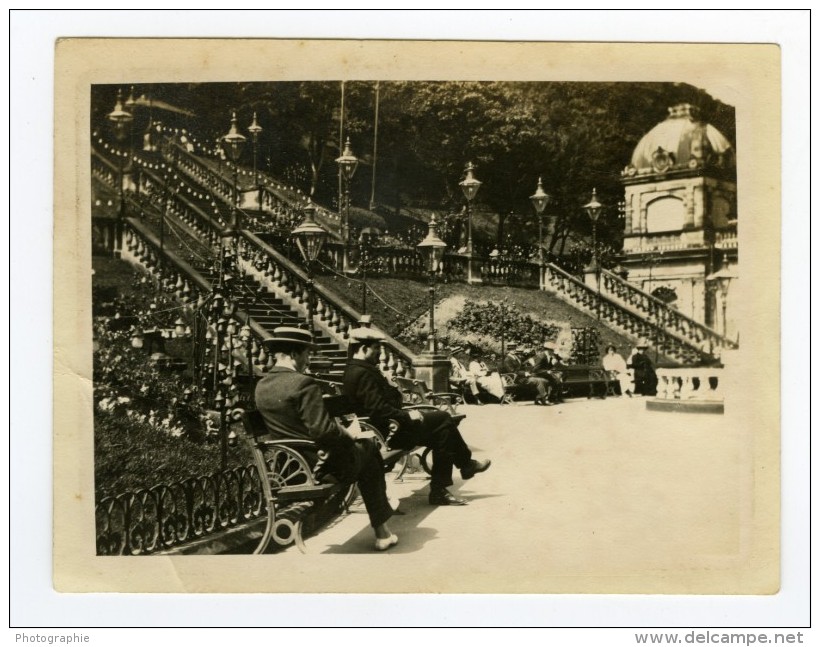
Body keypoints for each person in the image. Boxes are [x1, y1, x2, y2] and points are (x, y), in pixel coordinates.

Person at [254, 327, 398, 551]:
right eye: (307, 354)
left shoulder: (261, 386)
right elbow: (323, 431)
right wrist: (350, 435)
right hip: (320, 467)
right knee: (369, 449)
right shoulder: (303, 383)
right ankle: (382, 529)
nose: (308, 360)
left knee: (365, 452)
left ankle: (383, 522)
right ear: (294, 354)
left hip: (289, 468)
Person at [343, 327, 491, 506]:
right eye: (376, 349)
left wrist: (390, 387)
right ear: (363, 348)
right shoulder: (362, 373)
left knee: (443, 432)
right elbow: (378, 409)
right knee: (443, 419)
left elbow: (381, 404)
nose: (380, 355)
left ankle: (451, 480)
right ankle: (461, 469)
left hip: (387, 428)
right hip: (387, 433)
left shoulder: (358, 369)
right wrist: (406, 415)